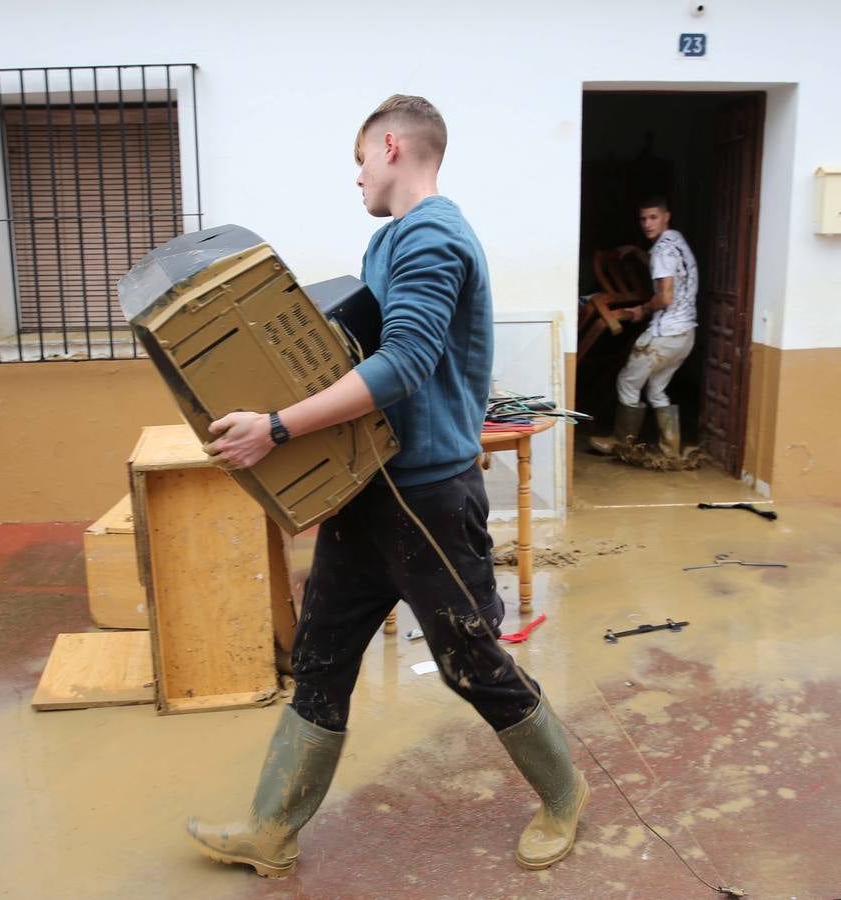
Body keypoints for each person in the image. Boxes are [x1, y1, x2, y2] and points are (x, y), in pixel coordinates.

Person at [188, 95, 589, 877]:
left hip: (428, 499)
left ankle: (566, 793)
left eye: (361, 160)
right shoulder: (392, 241)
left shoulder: (432, 237)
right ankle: (273, 831)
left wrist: (277, 426)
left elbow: (403, 366)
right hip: (370, 491)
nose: (358, 178)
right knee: (323, 655)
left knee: (470, 662)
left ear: (393, 147)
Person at [588, 196, 698, 458]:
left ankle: (622, 444)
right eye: (643, 219)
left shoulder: (661, 251)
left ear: (665, 216)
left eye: (653, 217)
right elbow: (670, 271)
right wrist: (638, 253)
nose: (647, 224)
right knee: (657, 389)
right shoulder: (677, 241)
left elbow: (665, 296)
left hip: (664, 334)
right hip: (685, 334)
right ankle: (670, 450)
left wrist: (643, 309)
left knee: (627, 381)